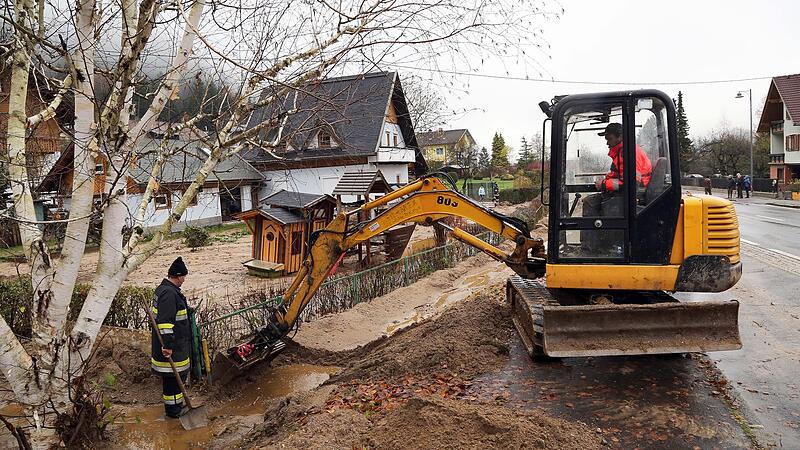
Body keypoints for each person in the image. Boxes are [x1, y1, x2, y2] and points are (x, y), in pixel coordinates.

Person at [582, 123, 652, 253]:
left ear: (620, 137)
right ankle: (592, 246)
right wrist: (603, 182)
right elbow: (615, 174)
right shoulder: (620, 152)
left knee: (601, 204)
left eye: (609, 138)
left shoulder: (629, 153)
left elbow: (631, 183)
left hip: (635, 193)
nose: (607, 143)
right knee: (590, 202)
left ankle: (608, 247)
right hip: (629, 191)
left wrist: (604, 184)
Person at [151, 257, 192, 419]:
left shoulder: (164, 290)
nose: (184, 280)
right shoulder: (168, 294)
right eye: (183, 277)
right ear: (178, 276)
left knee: (176, 380)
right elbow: (165, 323)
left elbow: (174, 313)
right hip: (171, 348)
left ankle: (177, 407)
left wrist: (188, 310)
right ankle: (173, 412)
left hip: (175, 346)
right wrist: (168, 346)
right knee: (173, 382)